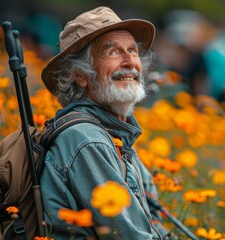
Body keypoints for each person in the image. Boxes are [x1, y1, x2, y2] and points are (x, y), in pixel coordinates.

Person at [40, 6, 170, 239]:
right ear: (80, 75)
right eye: (113, 53)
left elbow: (153, 225)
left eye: (132, 50)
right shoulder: (87, 140)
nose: (130, 61)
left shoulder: (116, 135)